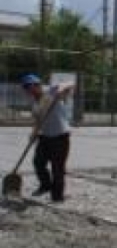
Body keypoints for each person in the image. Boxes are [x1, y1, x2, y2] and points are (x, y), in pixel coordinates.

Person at [21, 74, 75, 202]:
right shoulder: (34, 101)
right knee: (38, 163)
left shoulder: (50, 91)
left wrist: (62, 88)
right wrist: (33, 134)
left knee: (57, 168)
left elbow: (71, 84)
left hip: (60, 137)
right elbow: (38, 120)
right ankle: (45, 185)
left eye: (33, 86)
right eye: (27, 87)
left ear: (38, 85)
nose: (31, 89)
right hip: (44, 137)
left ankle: (57, 197)